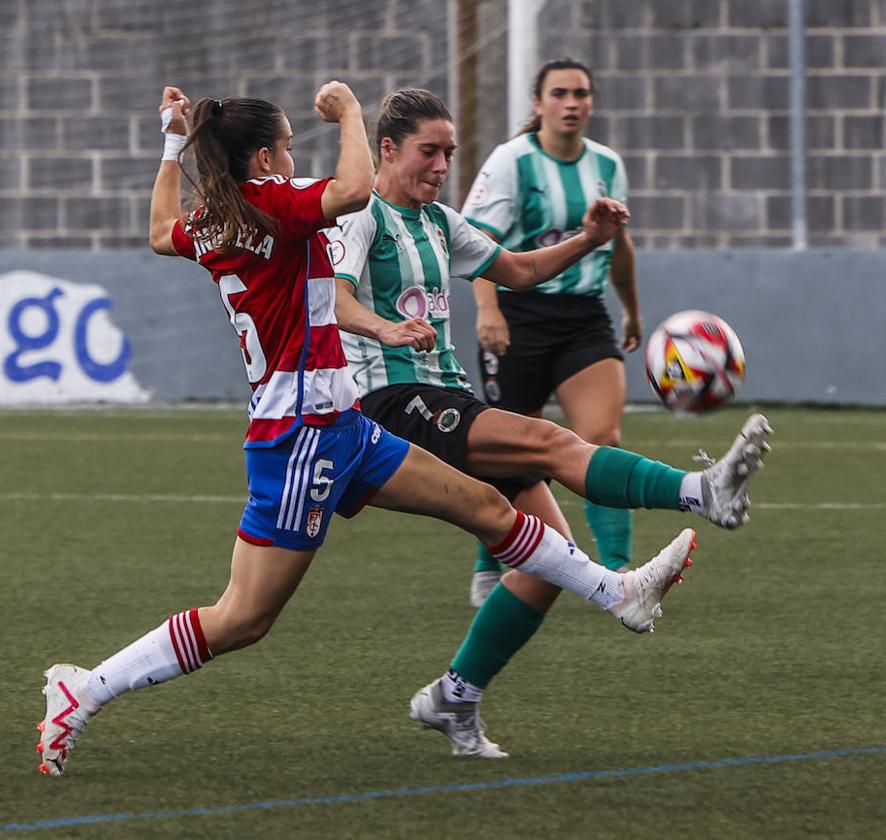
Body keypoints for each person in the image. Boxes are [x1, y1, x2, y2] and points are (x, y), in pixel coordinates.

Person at [34, 81, 701, 778]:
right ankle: (85, 689)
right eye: (289, 145)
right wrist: (350, 112)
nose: (296, 156)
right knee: (242, 618)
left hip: (338, 423)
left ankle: (615, 592)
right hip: (298, 438)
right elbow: (354, 191)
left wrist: (173, 143)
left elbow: (156, 230)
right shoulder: (274, 207)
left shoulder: (218, 218)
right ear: (263, 160)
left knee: (488, 506)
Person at [329, 88, 771, 758]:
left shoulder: (442, 223)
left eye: (449, 152)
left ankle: (456, 696)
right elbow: (333, 299)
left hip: (445, 395)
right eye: (429, 151)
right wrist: (386, 325)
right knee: (551, 440)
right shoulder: (363, 216)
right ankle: (701, 493)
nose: (442, 163)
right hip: (392, 403)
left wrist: (589, 239)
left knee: (546, 562)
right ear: (387, 150)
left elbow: (519, 270)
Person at [463, 58, 642, 602]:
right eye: (560, 93)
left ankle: (620, 572)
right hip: (520, 316)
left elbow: (617, 244)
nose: (572, 103)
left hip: (584, 317)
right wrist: (488, 311)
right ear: (538, 103)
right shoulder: (511, 162)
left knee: (603, 438)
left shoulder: (607, 165)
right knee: (510, 453)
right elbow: (477, 243)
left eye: (581, 94)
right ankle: (489, 560)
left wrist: (632, 308)